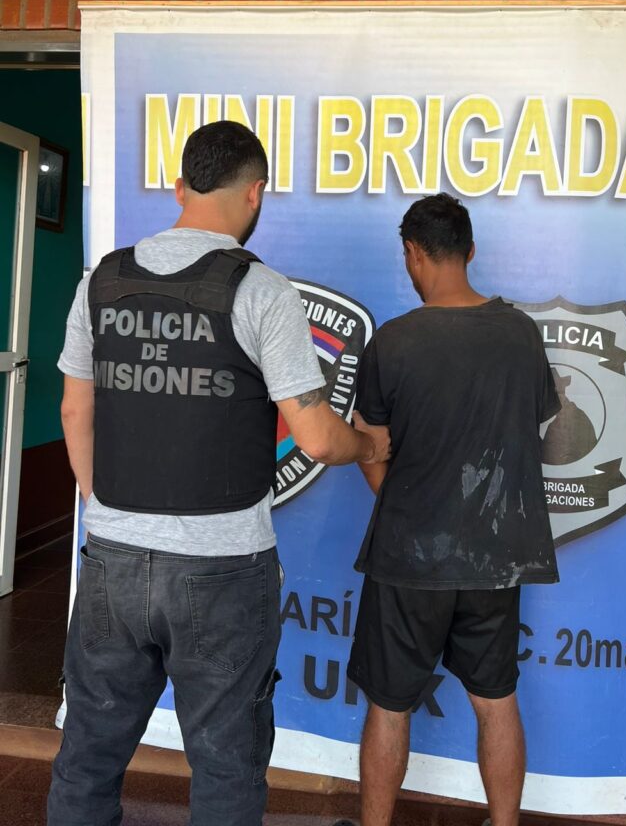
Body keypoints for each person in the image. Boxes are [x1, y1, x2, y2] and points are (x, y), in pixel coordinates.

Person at [47, 120, 390, 826]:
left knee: (87, 755)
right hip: (222, 568)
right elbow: (316, 437)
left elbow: (75, 408)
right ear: (255, 193)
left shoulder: (100, 281)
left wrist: (100, 501)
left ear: (181, 189)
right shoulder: (262, 290)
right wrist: (368, 447)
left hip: (111, 557)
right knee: (226, 764)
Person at [348, 193, 559, 826]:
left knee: (389, 707)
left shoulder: (392, 341)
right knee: (497, 702)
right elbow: (534, 428)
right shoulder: (521, 333)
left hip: (409, 556)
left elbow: (370, 447)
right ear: (470, 251)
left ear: (412, 253)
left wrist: (413, 507)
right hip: (497, 557)